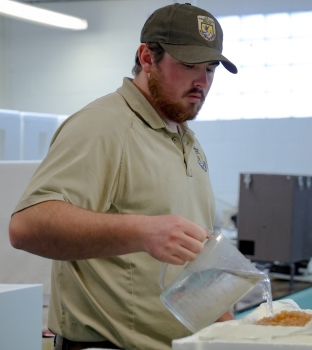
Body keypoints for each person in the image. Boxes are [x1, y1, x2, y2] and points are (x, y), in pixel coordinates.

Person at [9, 3, 237, 350]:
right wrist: (144, 231)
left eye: (209, 69)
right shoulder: (103, 126)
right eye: (189, 65)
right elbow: (27, 226)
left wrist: (228, 325)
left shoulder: (184, 138)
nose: (201, 82)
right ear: (147, 57)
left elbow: (194, 254)